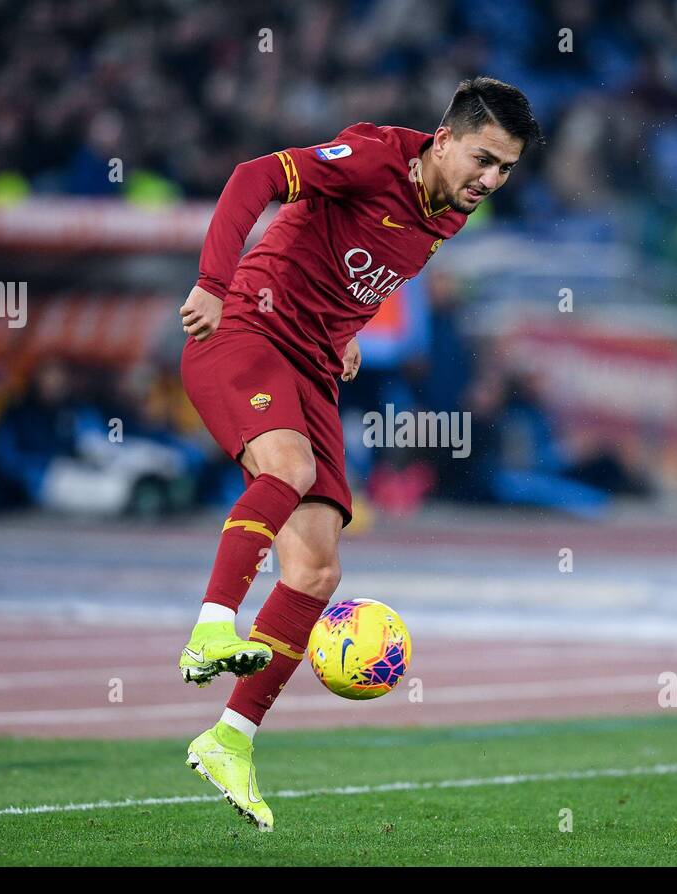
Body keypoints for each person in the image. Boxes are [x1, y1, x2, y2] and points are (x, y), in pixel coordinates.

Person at [175, 77, 543, 829]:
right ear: (443, 140)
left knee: (316, 567)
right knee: (293, 471)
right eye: (482, 160)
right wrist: (213, 284)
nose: (491, 180)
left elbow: (365, 267)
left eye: (505, 169)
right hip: (244, 330)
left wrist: (342, 338)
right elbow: (255, 178)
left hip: (309, 362)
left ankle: (231, 739)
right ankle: (213, 623)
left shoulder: (450, 211)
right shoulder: (373, 159)